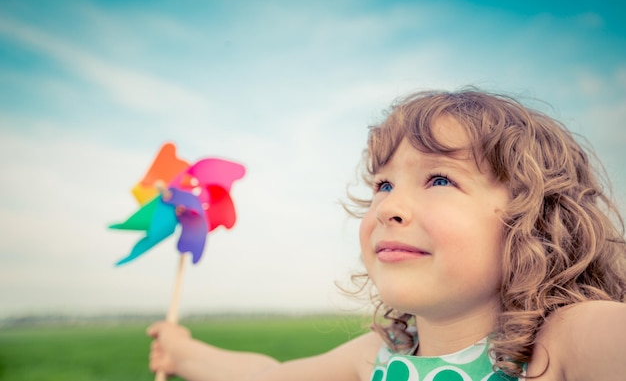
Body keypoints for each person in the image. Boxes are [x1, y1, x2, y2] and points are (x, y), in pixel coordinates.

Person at [147, 88, 626, 381]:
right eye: (383, 184)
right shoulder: (380, 357)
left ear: (536, 218)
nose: (389, 207)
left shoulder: (565, 341)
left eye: (440, 179)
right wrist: (182, 351)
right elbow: (265, 376)